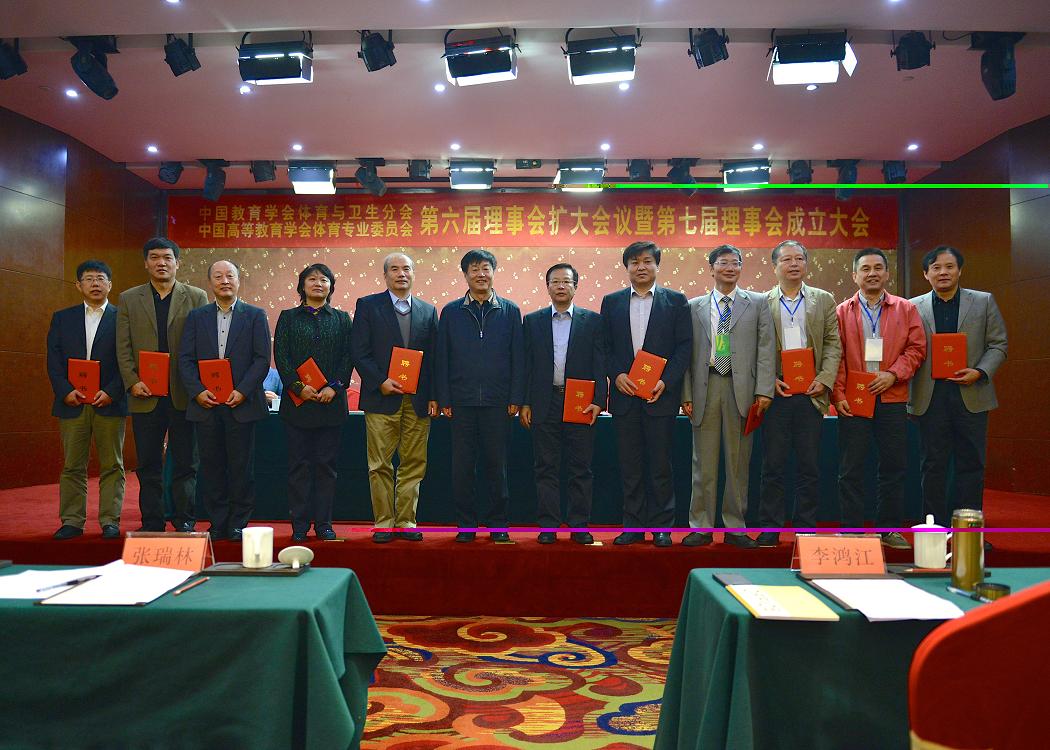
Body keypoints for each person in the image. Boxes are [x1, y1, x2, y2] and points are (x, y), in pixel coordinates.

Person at [681, 245, 775, 548]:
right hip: (705, 386)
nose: (730, 268)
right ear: (711, 269)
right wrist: (685, 393)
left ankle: (735, 526)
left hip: (742, 390)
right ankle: (701, 526)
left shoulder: (758, 303)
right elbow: (686, 354)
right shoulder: (693, 306)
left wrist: (764, 390)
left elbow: (766, 349)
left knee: (737, 463)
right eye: (723, 263)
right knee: (703, 463)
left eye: (735, 263)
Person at [909, 246, 1007, 534]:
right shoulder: (912, 307)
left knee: (971, 465)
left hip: (972, 395)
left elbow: (998, 344)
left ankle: (969, 533)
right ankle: (934, 533)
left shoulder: (983, 301)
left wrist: (979, 371)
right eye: (936, 267)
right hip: (930, 397)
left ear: (960, 270)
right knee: (932, 466)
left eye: (949, 266)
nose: (943, 272)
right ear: (926, 274)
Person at [601, 241, 692, 547]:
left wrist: (666, 381)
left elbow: (684, 347)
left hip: (659, 397)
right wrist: (617, 375)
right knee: (630, 466)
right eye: (634, 262)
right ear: (626, 267)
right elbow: (604, 347)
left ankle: (662, 526)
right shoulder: (612, 302)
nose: (641, 267)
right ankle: (633, 525)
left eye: (647, 261)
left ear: (657, 265)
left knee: (660, 465)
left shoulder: (676, 301)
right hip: (625, 397)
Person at [833, 248, 926, 549]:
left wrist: (894, 374)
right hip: (855, 399)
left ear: (887, 273)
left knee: (893, 466)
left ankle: (889, 529)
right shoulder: (841, 312)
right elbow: (835, 356)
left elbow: (916, 348)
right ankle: (852, 530)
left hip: (892, 396)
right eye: (865, 268)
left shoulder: (905, 309)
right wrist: (838, 394)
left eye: (877, 268)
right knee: (851, 468)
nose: (872, 273)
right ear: (854, 275)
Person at [116, 237, 208, 532]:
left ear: (177, 263)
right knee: (148, 464)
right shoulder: (129, 298)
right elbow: (122, 347)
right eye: (154, 257)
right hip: (145, 393)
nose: (161, 263)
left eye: (167, 258)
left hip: (183, 394)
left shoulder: (196, 296)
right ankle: (152, 522)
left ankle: (184, 520)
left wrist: (197, 387)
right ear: (146, 263)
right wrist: (132, 382)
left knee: (186, 463)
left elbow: (203, 346)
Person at [755, 241, 842, 546]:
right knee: (773, 465)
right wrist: (768, 381)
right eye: (786, 260)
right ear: (774, 266)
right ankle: (770, 527)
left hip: (811, 392)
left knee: (809, 465)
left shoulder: (824, 299)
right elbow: (756, 348)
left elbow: (833, 343)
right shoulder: (761, 302)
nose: (793, 264)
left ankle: (806, 527)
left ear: (806, 263)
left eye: (799, 259)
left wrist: (825, 379)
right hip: (777, 393)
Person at [435, 249, 525, 543]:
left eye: (485, 268)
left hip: (498, 403)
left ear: (493, 272)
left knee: (496, 465)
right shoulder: (451, 312)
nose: (481, 274)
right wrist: (444, 398)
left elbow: (518, 357)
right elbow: (442, 357)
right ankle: (466, 524)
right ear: (465, 275)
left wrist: (515, 396)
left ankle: (498, 523)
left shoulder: (510, 310)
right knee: (462, 467)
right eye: (474, 269)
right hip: (461, 403)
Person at [178, 260, 270, 541]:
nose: (225, 280)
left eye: (230, 275)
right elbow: (185, 359)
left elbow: (262, 359)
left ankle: (238, 522)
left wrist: (242, 390)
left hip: (240, 404)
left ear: (239, 281)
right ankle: (217, 522)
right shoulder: (197, 317)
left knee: (241, 467)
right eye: (218, 276)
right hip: (206, 405)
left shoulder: (255, 315)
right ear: (210, 283)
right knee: (211, 465)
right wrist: (197, 391)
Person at [351, 253, 438, 543]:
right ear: (385, 275)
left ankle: (406, 522)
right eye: (395, 269)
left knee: (414, 463)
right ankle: (384, 523)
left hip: (418, 400)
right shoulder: (368, 306)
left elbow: (434, 358)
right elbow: (359, 351)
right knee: (379, 464)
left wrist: (434, 396)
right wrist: (380, 382)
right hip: (381, 398)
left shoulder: (428, 310)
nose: (401, 274)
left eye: (407, 269)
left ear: (414, 274)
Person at [520, 263, 606, 545]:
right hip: (544, 401)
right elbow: (527, 364)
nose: (560, 286)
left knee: (581, 467)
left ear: (575, 287)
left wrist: (599, 400)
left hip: (580, 402)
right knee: (545, 466)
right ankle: (548, 525)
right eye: (555, 281)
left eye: (566, 281)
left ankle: (579, 525)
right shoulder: (533, 321)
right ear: (547, 287)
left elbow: (600, 363)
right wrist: (525, 402)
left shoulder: (592, 321)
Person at [46, 261, 128, 539]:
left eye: (100, 278)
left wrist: (113, 391)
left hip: (110, 402)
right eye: (89, 279)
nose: (95, 283)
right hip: (73, 402)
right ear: (78, 285)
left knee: (113, 464)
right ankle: (72, 521)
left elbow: (128, 359)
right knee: (72, 464)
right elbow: (53, 360)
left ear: (110, 285)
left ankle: (110, 521)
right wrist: (65, 391)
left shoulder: (122, 318)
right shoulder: (62, 318)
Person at [274, 263, 353, 542]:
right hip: (298, 406)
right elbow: (281, 356)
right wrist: (298, 387)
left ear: (331, 286)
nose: (318, 283)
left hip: (331, 405)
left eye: (324, 279)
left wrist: (334, 387)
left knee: (326, 467)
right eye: (312, 279)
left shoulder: (342, 319)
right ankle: (299, 525)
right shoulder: (288, 317)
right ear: (302, 286)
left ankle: (324, 525)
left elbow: (348, 356)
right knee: (298, 466)